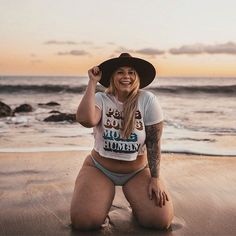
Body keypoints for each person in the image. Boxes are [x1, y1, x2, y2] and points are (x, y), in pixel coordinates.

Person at [70, 53, 174, 231]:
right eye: (120, 72)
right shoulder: (102, 99)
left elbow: (154, 143)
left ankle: (137, 208)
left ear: (137, 77)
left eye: (131, 72)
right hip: (99, 169)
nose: (126, 76)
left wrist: (155, 178)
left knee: (159, 222)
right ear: (112, 77)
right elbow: (85, 120)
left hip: (138, 171)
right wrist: (92, 82)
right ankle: (100, 205)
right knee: (83, 223)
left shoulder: (147, 100)